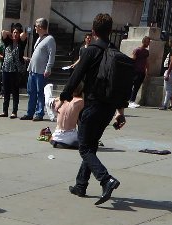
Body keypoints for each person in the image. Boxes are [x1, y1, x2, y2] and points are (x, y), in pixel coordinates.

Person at [61, 12, 126, 206]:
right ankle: (81, 185)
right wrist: (120, 112)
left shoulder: (90, 51)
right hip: (108, 108)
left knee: (85, 147)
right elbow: (121, 84)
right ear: (110, 31)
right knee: (92, 144)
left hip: (93, 104)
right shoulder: (115, 52)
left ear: (93, 30)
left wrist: (65, 95)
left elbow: (76, 76)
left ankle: (106, 180)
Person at [23, 18, 56, 121]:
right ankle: (30, 112)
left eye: (36, 26)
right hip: (33, 69)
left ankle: (39, 113)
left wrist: (48, 68)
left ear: (41, 27)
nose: (35, 28)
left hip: (41, 71)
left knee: (40, 92)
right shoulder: (39, 38)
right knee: (31, 91)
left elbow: (51, 55)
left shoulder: (50, 39)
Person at [0, 24, 25, 118]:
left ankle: (14, 111)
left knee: (15, 91)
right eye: (14, 32)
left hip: (15, 70)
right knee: (6, 91)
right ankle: (5, 111)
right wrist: (10, 33)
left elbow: (24, 35)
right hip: (6, 69)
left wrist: (18, 35)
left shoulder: (21, 43)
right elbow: (3, 32)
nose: (15, 34)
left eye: (17, 32)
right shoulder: (7, 42)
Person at [127, 35, 150, 108]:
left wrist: (147, 70)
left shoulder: (146, 52)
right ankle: (130, 101)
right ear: (144, 42)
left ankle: (132, 101)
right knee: (133, 86)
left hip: (142, 71)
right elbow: (133, 59)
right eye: (147, 42)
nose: (148, 44)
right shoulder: (137, 50)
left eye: (149, 42)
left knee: (137, 87)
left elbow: (146, 61)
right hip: (136, 71)